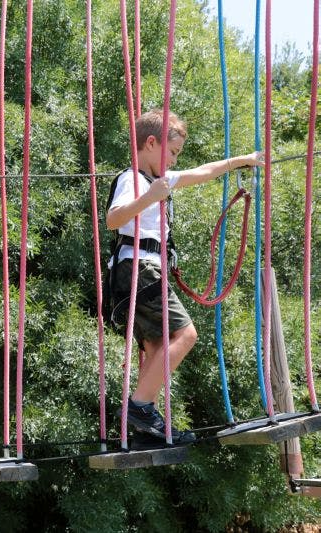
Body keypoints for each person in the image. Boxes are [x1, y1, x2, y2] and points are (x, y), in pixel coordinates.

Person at [105, 109, 262, 444]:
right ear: (151, 143)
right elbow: (113, 219)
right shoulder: (132, 179)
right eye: (172, 152)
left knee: (159, 344)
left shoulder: (160, 180)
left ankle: (143, 422)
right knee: (186, 334)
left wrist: (241, 161)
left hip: (145, 268)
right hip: (139, 267)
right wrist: (149, 197)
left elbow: (203, 172)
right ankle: (140, 406)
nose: (174, 160)